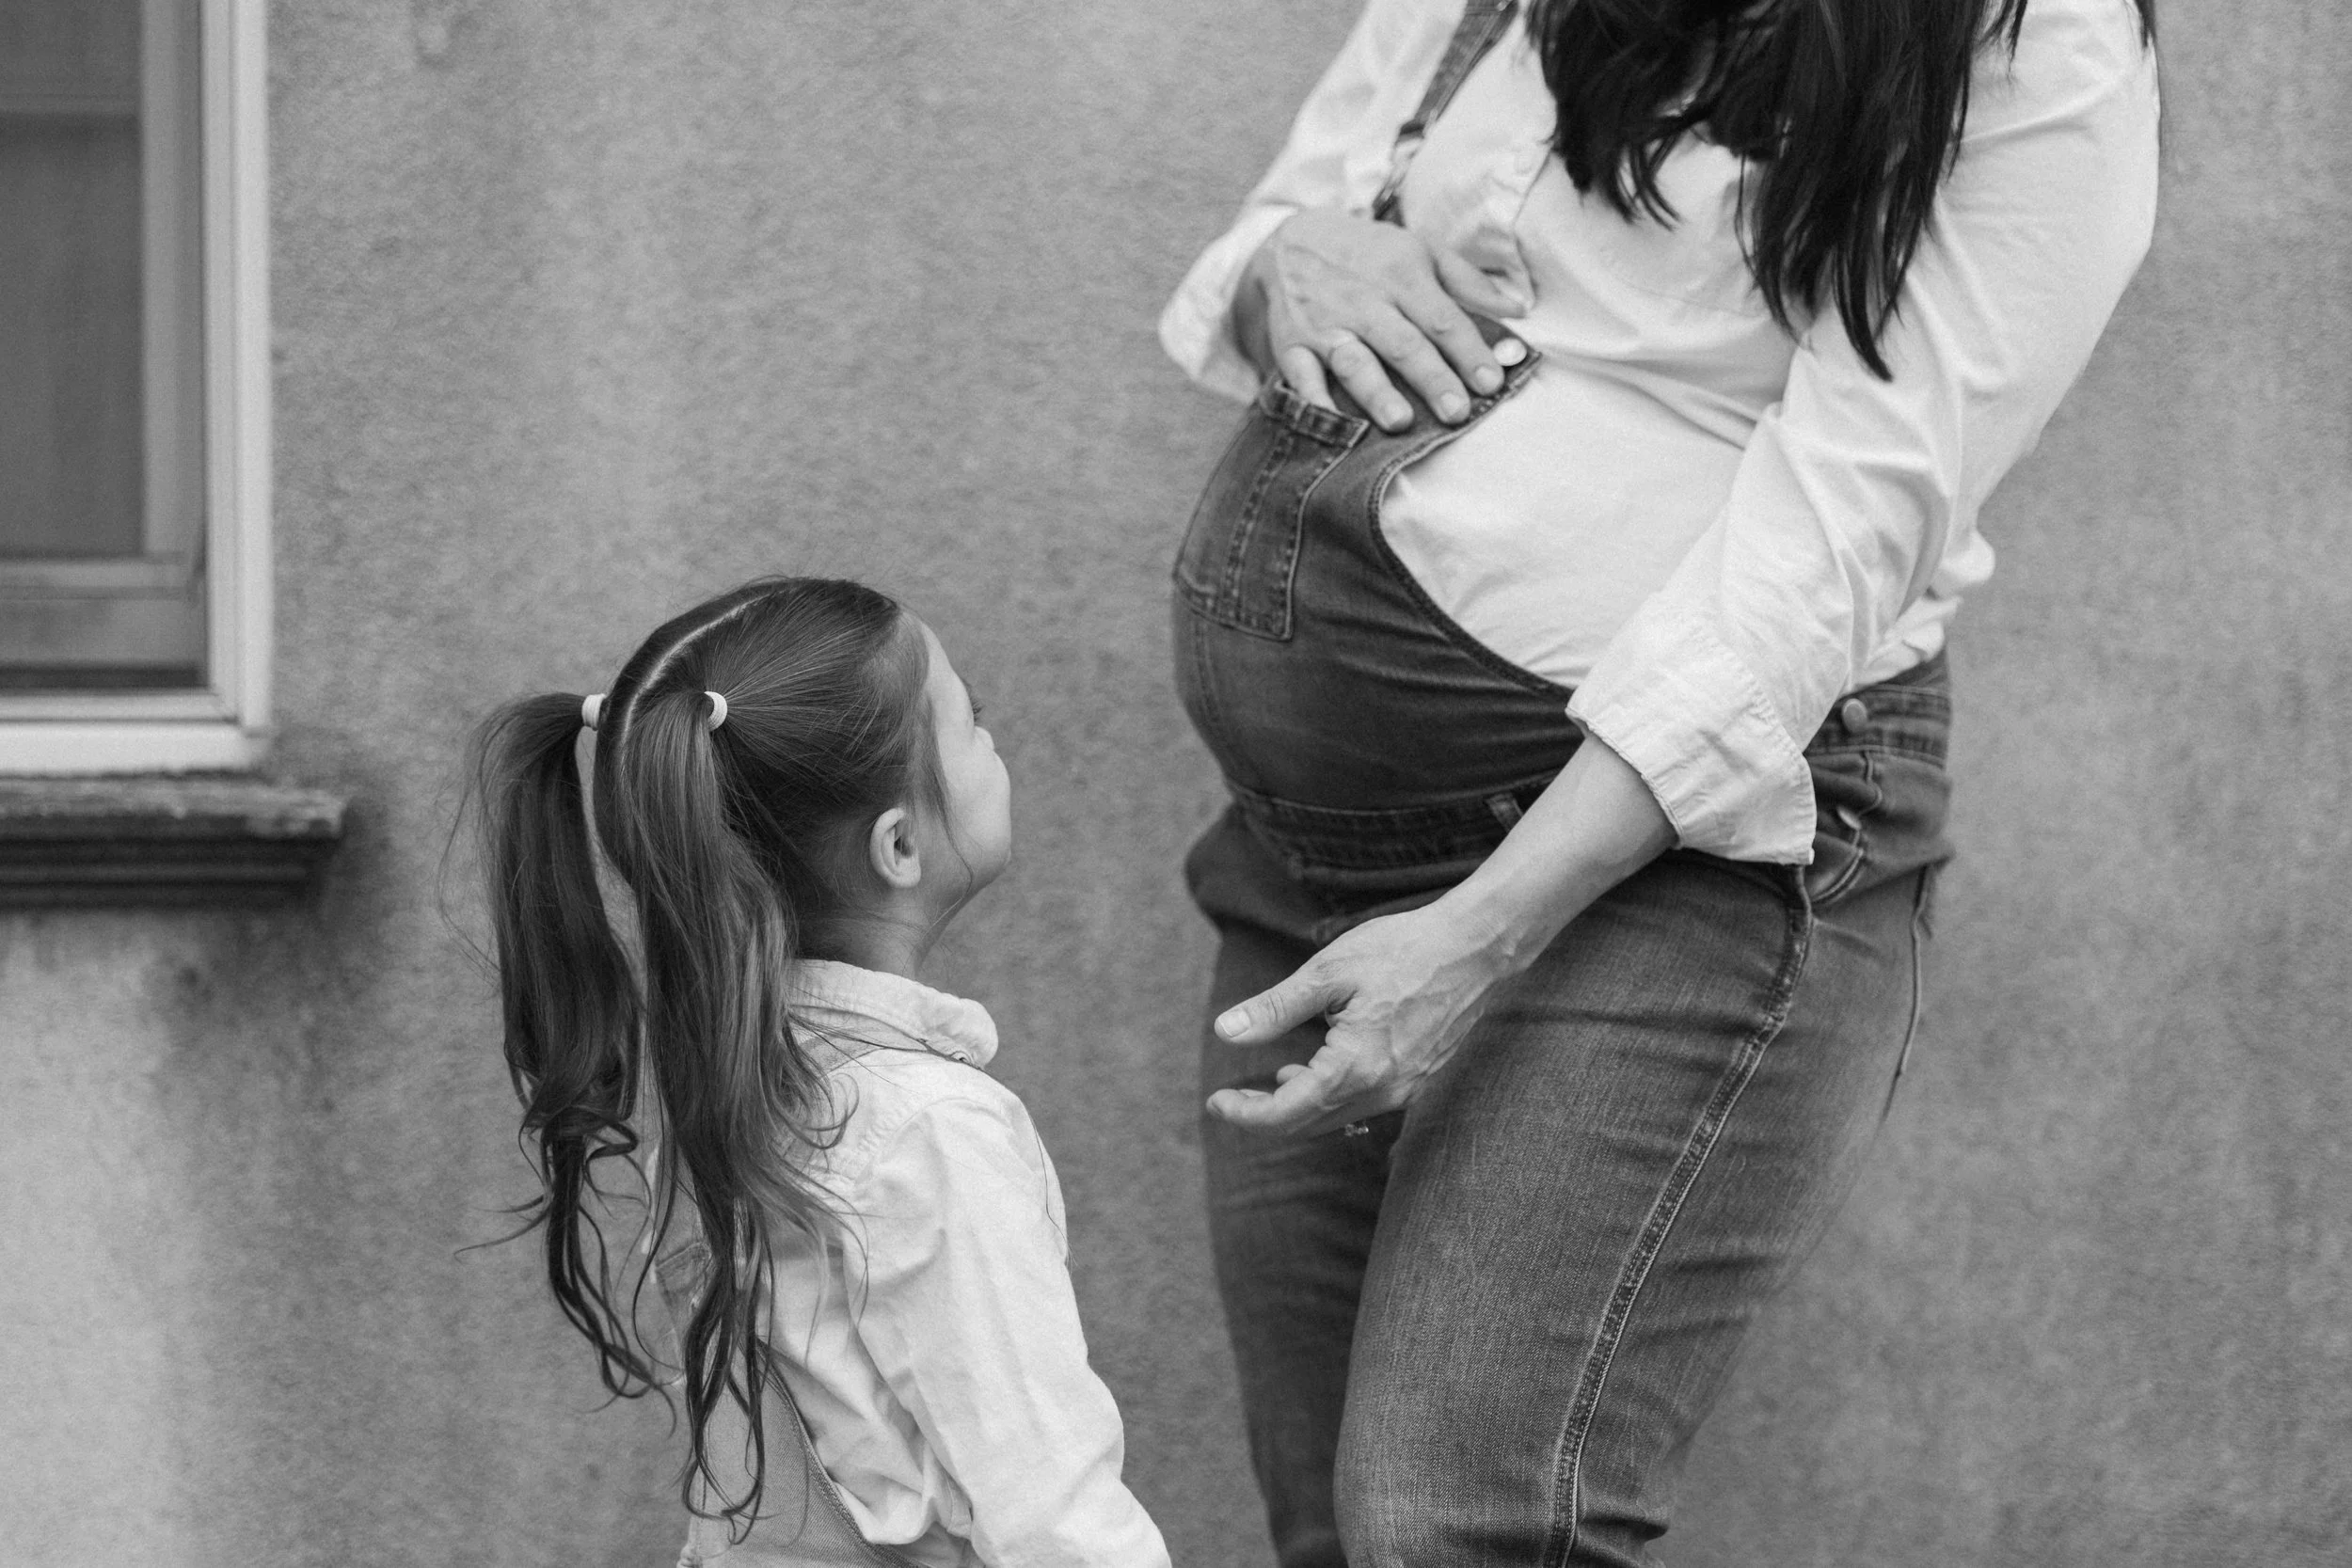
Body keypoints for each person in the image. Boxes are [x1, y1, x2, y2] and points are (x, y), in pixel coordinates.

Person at [1158, 1, 2159, 1564]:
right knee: (1336, 1541)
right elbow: (1288, 226)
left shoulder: (2039, 50)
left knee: (1459, 1522)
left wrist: (1482, 928)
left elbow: (1832, 548)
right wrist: (1294, 257)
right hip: (1320, 865)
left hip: (1674, 870)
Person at [469, 578, 1169, 1568]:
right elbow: (1050, 1508)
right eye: (973, 719)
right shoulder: (926, 1127)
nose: (991, 733)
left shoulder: (733, 1095)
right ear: (899, 843)